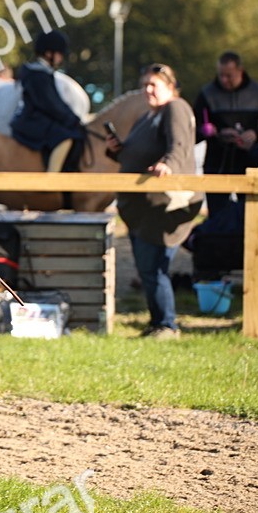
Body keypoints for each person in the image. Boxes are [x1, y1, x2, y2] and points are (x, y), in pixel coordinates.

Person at [106, 64, 203, 340]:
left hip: (163, 207)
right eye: (145, 84)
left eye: (154, 85)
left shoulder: (176, 108)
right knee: (148, 268)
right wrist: (118, 152)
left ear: (170, 87)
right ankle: (158, 322)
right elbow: (136, 155)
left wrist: (168, 164)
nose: (148, 89)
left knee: (154, 267)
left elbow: (179, 146)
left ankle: (167, 325)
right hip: (141, 208)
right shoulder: (148, 117)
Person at [194, 51, 258, 219]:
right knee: (217, 216)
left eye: (229, 76)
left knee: (251, 216)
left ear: (240, 71)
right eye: (221, 75)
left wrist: (255, 133)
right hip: (217, 163)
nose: (224, 80)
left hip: (249, 161)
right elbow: (195, 127)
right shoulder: (207, 93)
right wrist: (214, 132)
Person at [9, 30, 85, 176]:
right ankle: (51, 177)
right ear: (49, 53)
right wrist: (72, 119)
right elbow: (51, 104)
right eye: (59, 54)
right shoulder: (38, 75)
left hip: (38, 117)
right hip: (31, 119)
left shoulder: (41, 72)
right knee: (66, 137)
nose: (61, 58)